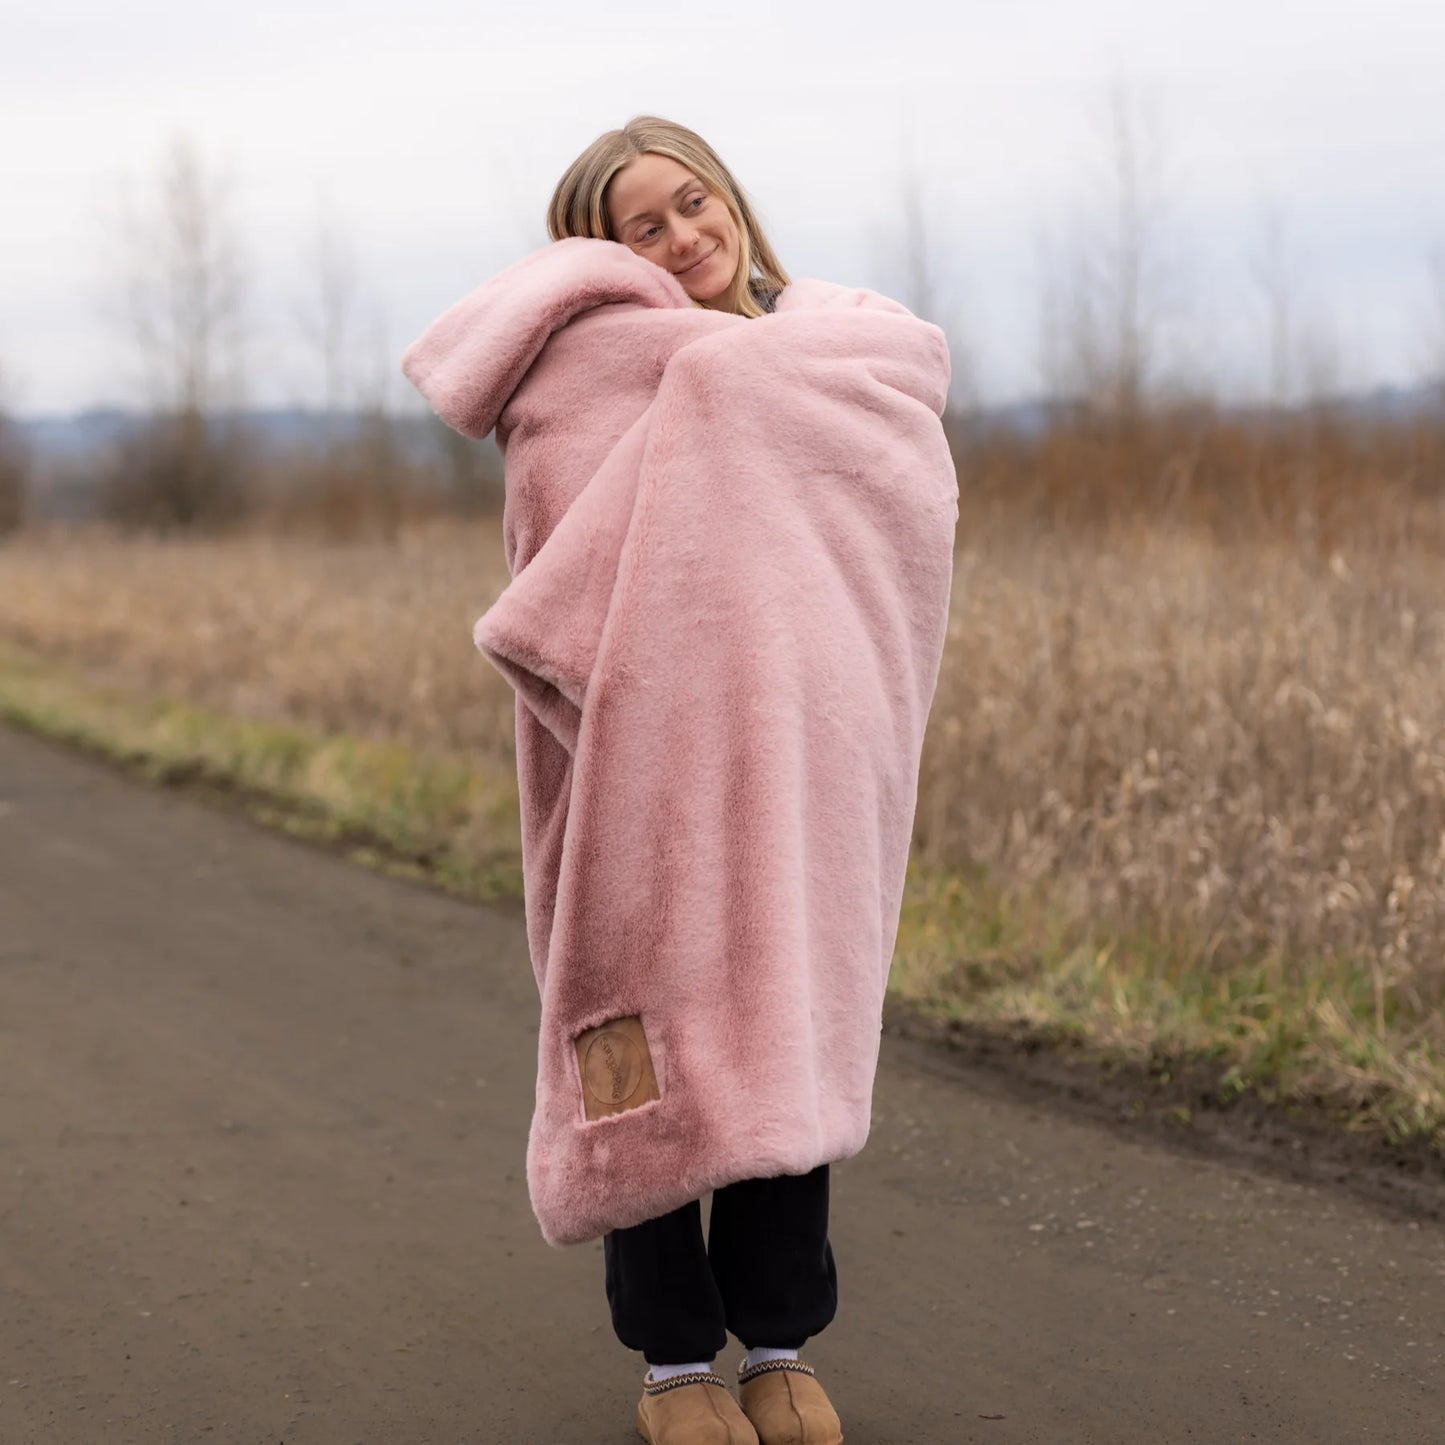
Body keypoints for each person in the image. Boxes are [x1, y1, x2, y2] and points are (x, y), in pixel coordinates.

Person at [546, 117, 845, 1445]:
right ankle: (674, 1362)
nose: (683, 236)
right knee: (643, 1045)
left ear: (730, 196)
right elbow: (555, 569)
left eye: (693, 201)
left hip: (793, 752)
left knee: (786, 1020)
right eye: (644, 228)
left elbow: (870, 547)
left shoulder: (828, 356)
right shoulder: (585, 381)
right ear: (603, 259)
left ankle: (779, 1343)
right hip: (636, 766)